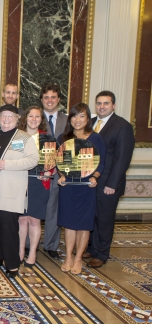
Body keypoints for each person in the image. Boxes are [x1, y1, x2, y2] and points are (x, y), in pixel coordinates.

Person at [0, 105, 39, 278]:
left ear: (17, 119)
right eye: (3, 117)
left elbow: (33, 160)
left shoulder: (24, 138)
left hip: (10, 190)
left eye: (10, 117)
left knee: (8, 227)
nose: (6, 120)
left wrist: (8, 165)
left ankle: (12, 263)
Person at [84, 91, 135, 268]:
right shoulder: (90, 123)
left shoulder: (122, 126)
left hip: (108, 183)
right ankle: (91, 247)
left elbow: (123, 159)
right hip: (90, 181)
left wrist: (112, 184)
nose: (102, 107)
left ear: (113, 105)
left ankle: (101, 253)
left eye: (106, 103)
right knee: (92, 216)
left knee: (104, 219)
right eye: (99, 103)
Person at [57, 103, 106, 274]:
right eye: (74, 116)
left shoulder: (96, 138)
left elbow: (101, 163)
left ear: (87, 118)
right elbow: (59, 162)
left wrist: (95, 177)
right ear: (70, 118)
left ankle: (78, 259)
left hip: (86, 187)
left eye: (82, 116)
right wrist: (61, 176)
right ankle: (68, 256)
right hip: (68, 185)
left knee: (84, 224)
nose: (77, 120)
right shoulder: (63, 138)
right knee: (69, 224)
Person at [17, 106, 52, 267]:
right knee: (22, 219)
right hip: (20, 182)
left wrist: (48, 171)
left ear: (41, 119)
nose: (34, 119)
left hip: (38, 183)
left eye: (37, 117)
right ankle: (20, 251)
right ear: (26, 118)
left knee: (34, 220)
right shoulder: (17, 137)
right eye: (31, 116)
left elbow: (52, 162)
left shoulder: (47, 139)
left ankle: (32, 254)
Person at [41, 83, 68, 260]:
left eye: (53, 97)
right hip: (37, 173)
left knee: (53, 211)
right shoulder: (34, 117)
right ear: (41, 100)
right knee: (31, 212)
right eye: (46, 97)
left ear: (58, 99)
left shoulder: (68, 121)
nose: (50, 100)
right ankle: (28, 245)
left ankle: (51, 245)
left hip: (58, 174)